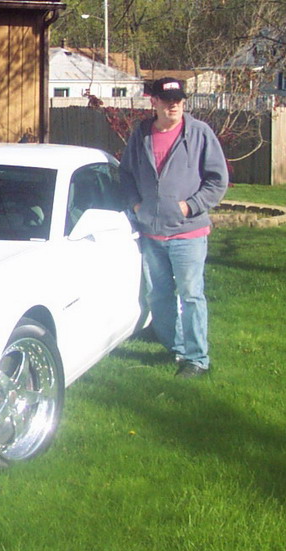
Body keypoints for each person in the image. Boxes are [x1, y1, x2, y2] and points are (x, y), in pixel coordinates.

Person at [120, 77, 228, 378]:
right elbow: (126, 175)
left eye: (179, 100)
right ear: (153, 101)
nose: (174, 105)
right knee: (158, 296)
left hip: (188, 233)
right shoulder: (141, 134)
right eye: (167, 100)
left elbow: (217, 180)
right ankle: (175, 346)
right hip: (151, 234)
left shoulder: (199, 133)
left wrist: (190, 206)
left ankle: (197, 359)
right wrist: (136, 205)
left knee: (191, 296)